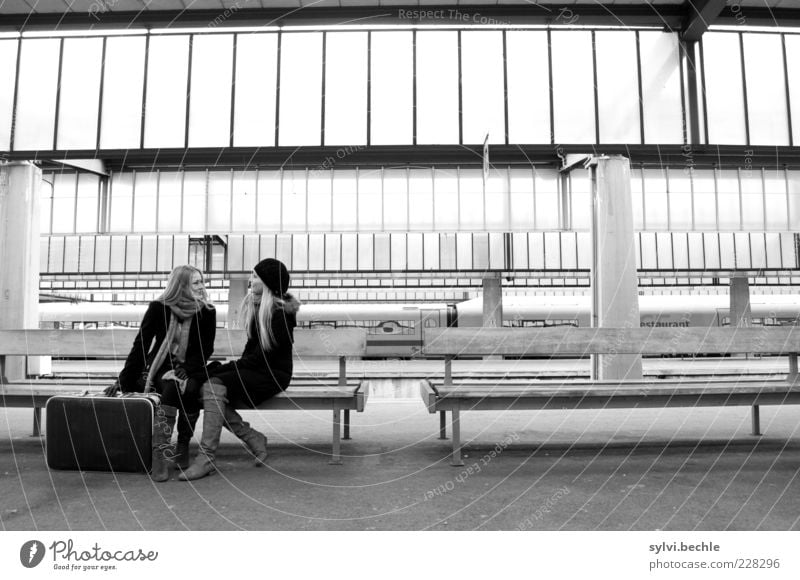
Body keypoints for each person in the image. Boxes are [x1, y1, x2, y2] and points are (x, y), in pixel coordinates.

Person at [180, 258, 300, 481]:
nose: (250, 280)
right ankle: (251, 438)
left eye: (255, 276)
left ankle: (207, 458)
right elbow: (250, 354)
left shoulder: (281, 315)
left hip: (273, 375)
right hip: (256, 370)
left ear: (267, 282)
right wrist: (221, 370)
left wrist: (221, 369)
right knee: (208, 387)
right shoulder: (260, 309)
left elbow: (260, 359)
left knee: (210, 385)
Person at [108, 265, 216, 482]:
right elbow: (141, 345)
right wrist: (123, 380)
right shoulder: (159, 307)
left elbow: (206, 349)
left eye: (202, 282)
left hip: (192, 367)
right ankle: (161, 452)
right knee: (172, 386)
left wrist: (185, 370)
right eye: (196, 283)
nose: (201, 287)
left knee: (191, 387)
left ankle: (183, 445)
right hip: (161, 366)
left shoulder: (207, 311)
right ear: (181, 285)